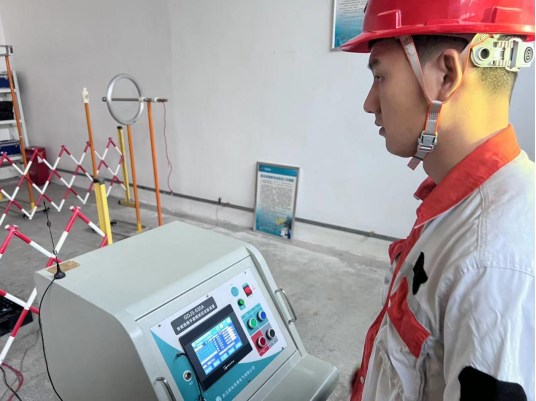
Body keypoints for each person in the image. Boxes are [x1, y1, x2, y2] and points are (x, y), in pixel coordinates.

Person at [340, 0, 535, 400]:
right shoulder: (463, 205)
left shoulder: (490, 261)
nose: (369, 103)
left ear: (445, 75)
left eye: (380, 76)